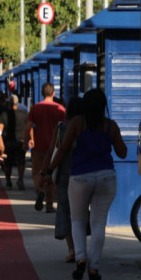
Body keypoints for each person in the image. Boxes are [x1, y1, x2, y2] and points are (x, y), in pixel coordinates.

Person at [45, 88, 127, 280]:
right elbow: (122, 152)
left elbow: (64, 149)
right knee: (98, 223)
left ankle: (80, 258)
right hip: (106, 177)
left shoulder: (77, 123)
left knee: (78, 220)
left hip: (80, 177)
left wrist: (49, 170)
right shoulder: (110, 126)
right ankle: (94, 268)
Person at [23, 83, 66, 213]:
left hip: (39, 145)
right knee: (52, 174)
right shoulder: (61, 109)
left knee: (37, 171)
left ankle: (39, 189)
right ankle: (49, 205)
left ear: (42, 93)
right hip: (55, 147)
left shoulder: (36, 108)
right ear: (53, 94)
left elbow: (28, 127)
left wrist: (26, 141)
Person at [50, 98, 83, 263]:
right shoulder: (88, 128)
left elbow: (55, 150)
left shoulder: (61, 128)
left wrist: (47, 172)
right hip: (83, 172)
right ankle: (81, 248)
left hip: (64, 174)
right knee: (82, 212)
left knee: (65, 210)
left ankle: (72, 249)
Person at [0, 94, 28, 191]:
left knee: (8, 163)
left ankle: (8, 181)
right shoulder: (23, 114)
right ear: (17, 103)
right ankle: (20, 179)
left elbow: (0, 129)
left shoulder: (4, 114)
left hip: (8, 142)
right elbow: (29, 127)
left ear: (9, 103)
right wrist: (29, 139)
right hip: (21, 141)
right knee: (21, 162)